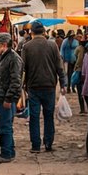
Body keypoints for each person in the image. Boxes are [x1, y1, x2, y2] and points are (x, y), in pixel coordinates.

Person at [20, 21, 62, 153]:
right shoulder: (52, 45)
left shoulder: (27, 47)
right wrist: (64, 83)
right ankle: (48, 143)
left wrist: (21, 86)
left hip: (33, 86)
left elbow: (22, 68)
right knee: (49, 116)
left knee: (34, 116)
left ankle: (36, 145)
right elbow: (59, 67)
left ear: (31, 32)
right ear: (44, 32)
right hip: (49, 85)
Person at [0, 32, 22, 163]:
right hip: (1, 98)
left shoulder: (13, 58)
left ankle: (7, 153)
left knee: (5, 126)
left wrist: (8, 99)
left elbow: (15, 81)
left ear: (3, 45)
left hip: (6, 99)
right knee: (4, 125)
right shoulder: (3, 57)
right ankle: (9, 150)